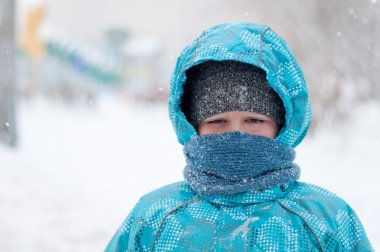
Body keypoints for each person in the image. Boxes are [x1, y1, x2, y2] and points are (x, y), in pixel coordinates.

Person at [105, 22, 373, 251]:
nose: (236, 134)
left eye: (254, 120)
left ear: (282, 125)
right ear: (192, 126)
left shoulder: (325, 219)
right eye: (217, 121)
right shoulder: (155, 218)